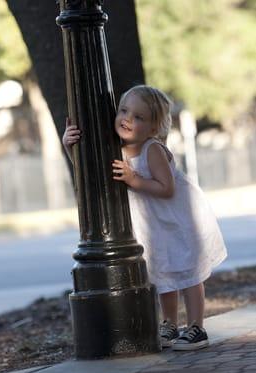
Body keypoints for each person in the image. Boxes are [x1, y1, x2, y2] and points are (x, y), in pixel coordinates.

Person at [63, 84, 227, 351]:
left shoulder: (152, 149)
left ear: (153, 128)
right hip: (152, 225)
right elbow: (91, 173)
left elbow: (166, 188)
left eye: (139, 117)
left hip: (176, 221)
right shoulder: (115, 148)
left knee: (187, 271)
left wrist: (134, 179)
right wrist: (70, 146)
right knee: (162, 272)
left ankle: (197, 326)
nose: (128, 119)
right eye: (125, 111)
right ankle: (170, 324)